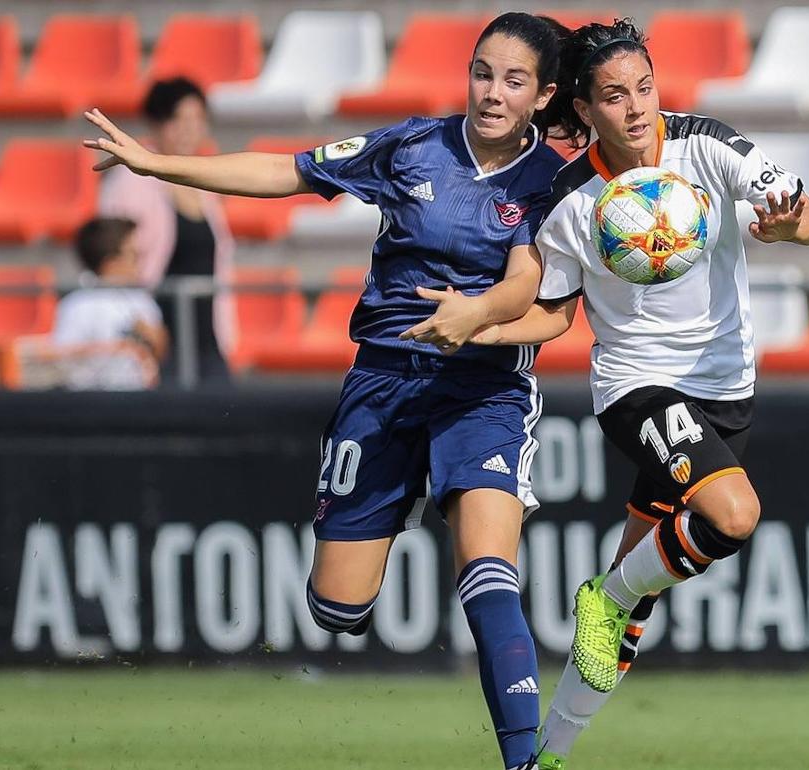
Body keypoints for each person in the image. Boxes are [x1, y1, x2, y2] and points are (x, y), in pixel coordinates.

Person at [84, 13, 567, 770]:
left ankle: (526, 763)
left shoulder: (551, 180)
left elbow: (524, 287)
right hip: (382, 377)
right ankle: (401, 487)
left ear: (543, 96)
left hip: (482, 387)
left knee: (487, 565)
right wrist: (158, 165)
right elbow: (286, 170)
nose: (491, 92)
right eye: (482, 72)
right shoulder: (412, 146)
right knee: (337, 609)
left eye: (513, 80)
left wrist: (472, 317)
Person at [468, 19, 809, 769]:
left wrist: (790, 231)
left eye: (644, 87)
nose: (636, 107)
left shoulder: (710, 146)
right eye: (614, 96)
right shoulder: (571, 198)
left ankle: (547, 758)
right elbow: (556, 312)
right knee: (733, 517)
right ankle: (601, 596)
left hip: (727, 388)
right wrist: (475, 327)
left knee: (636, 607)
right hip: (638, 385)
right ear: (586, 108)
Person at [97, 76, 236, 386]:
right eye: (178, 119)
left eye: (197, 119)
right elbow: (109, 258)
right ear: (156, 123)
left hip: (207, 341)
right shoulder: (128, 183)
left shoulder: (206, 184)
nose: (189, 129)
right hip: (156, 342)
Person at [49, 217, 168, 391]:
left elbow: (160, 350)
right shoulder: (78, 305)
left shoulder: (140, 298)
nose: (139, 263)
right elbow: (62, 359)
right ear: (111, 263)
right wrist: (115, 349)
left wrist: (151, 338)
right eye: (134, 255)